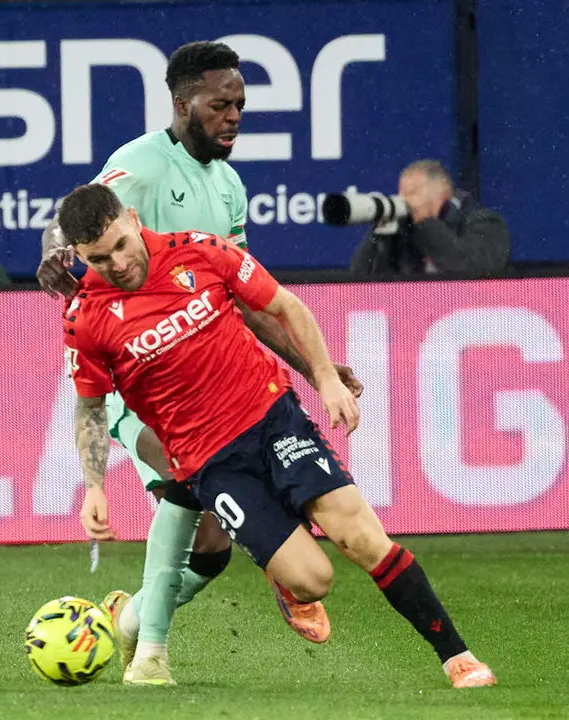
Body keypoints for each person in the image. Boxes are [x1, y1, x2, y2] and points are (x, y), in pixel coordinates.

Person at [59, 182, 496, 689]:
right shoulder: (84, 319)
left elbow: (285, 306)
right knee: (314, 579)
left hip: (273, 419)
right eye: (99, 257)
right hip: (212, 464)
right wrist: (94, 484)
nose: (118, 263)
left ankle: (456, 656)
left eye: (120, 245)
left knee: (361, 537)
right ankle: (286, 584)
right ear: (80, 256)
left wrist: (325, 378)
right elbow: (90, 409)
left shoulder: (199, 250)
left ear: (133, 218)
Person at [36, 40, 361, 685]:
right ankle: (151, 656)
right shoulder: (140, 165)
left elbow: (248, 305)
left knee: (211, 546)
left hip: (212, 387)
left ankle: (125, 623)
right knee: (187, 483)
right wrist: (55, 252)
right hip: (140, 381)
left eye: (239, 104)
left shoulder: (230, 185)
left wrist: (312, 365)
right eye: (219, 104)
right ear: (184, 104)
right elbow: (76, 219)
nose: (233, 115)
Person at [349, 159, 510, 277]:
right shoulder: (402, 228)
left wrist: (425, 222)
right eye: (402, 193)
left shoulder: (485, 222)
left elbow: (470, 267)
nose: (404, 199)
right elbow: (358, 278)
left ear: (442, 194)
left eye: (413, 193)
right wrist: (378, 234)